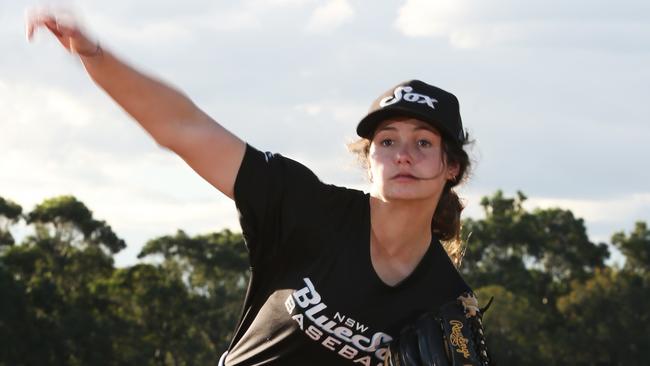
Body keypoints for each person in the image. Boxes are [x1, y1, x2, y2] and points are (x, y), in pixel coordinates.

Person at [27, 11, 474, 366]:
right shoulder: (304, 207)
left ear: (450, 165)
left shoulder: (443, 301)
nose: (403, 155)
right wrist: (95, 54)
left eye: (423, 143)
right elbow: (184, 128)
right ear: (369, 157)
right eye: (388, 140)